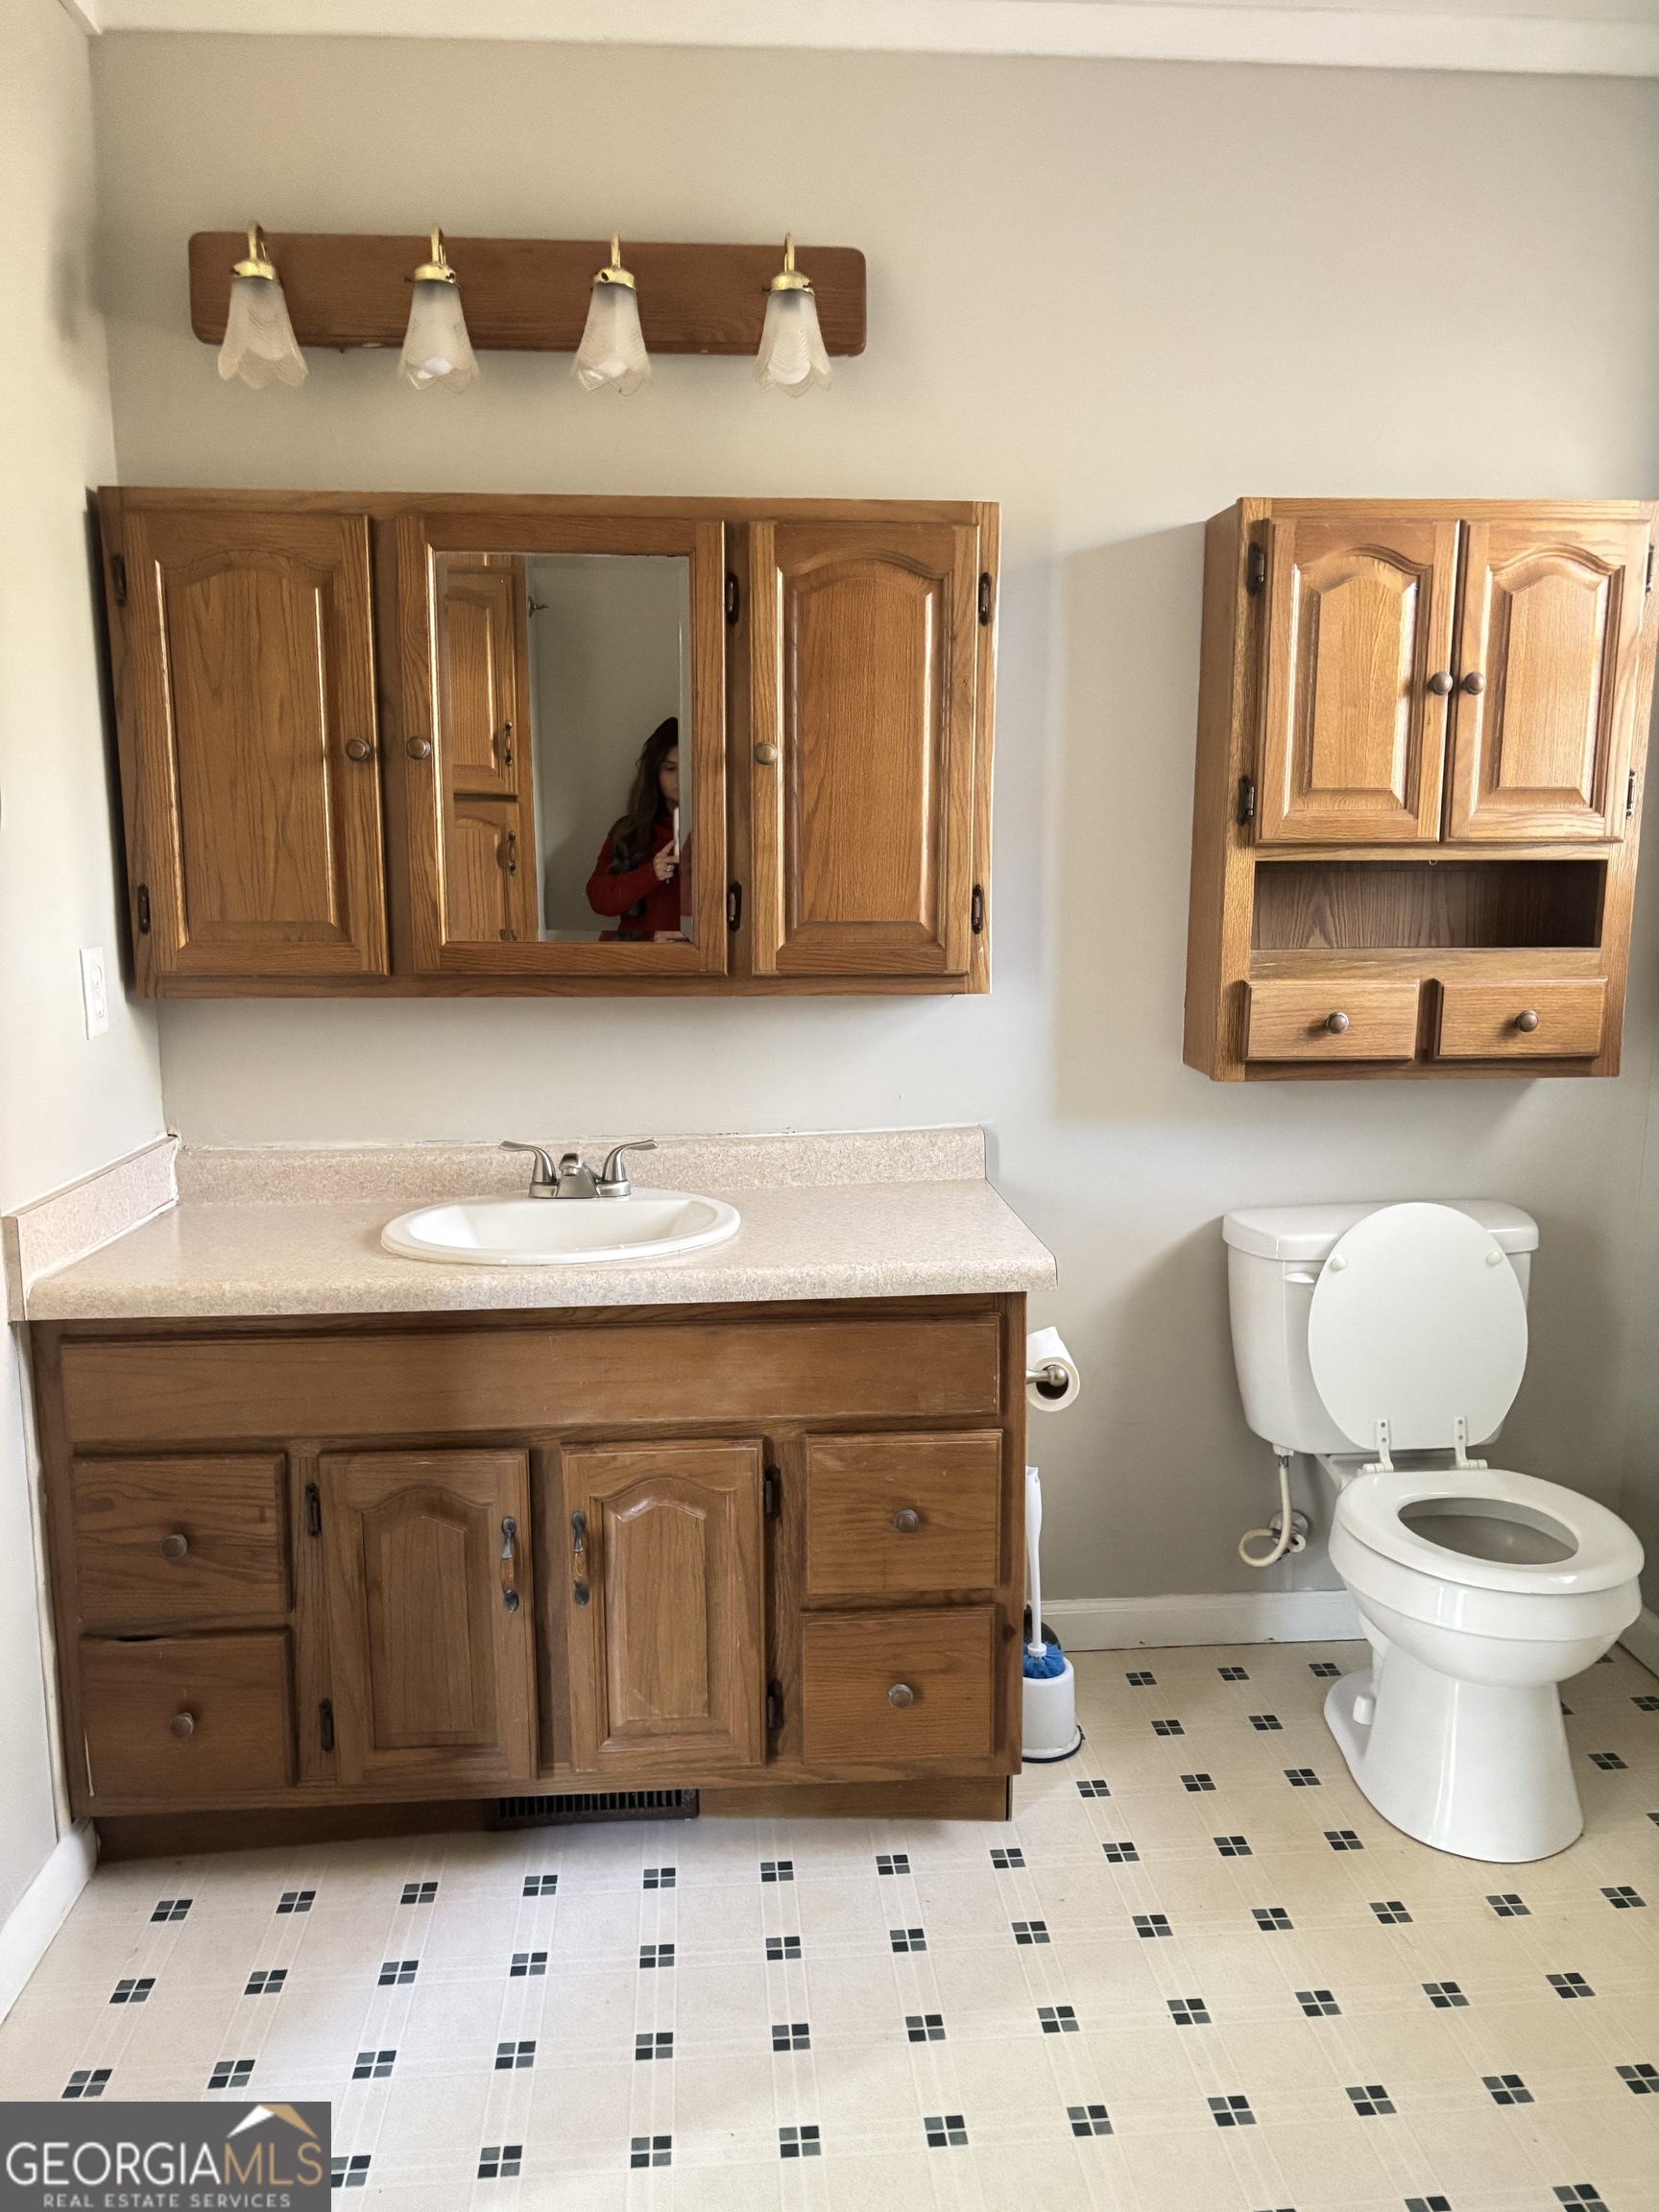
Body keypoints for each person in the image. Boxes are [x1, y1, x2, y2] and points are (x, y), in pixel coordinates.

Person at [586, 717, 687, 941]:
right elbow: (599, 899)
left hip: (698, 957)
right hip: (636, 954)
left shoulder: (720, 833)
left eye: (688, 768)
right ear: (655, 772)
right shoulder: (629, 832)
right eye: (670, 768)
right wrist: (650, 873)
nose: (680, 778)